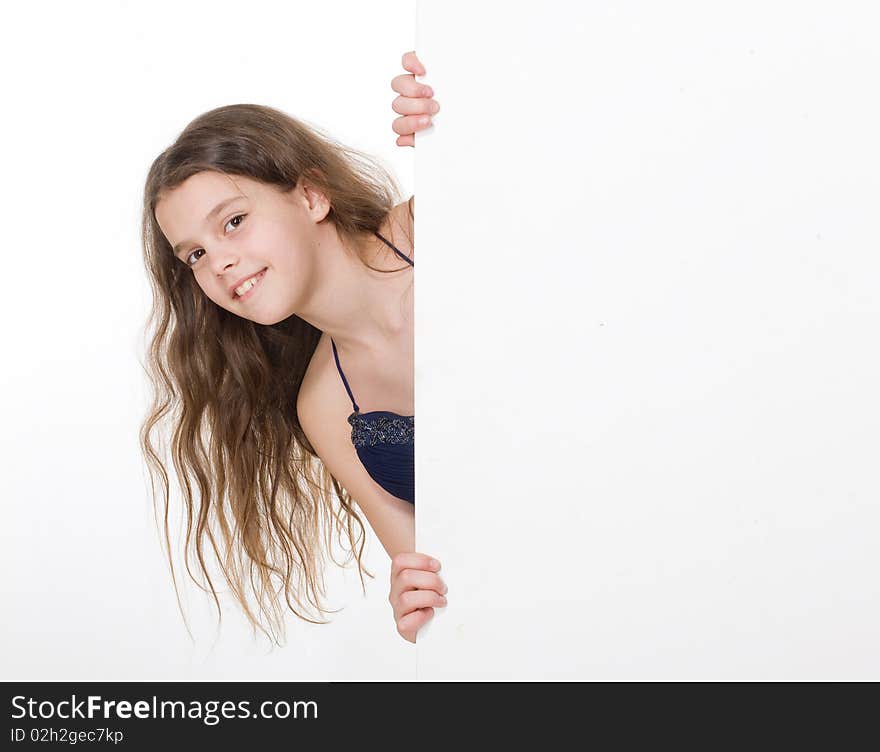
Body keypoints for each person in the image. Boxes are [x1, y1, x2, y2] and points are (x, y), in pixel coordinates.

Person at [140, 51, 445, 644]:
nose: (218, 262)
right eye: (194, 254)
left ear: (310, 197)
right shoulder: (327, 407)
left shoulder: (437, 228)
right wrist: (415, 603)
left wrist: (462, 118)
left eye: (232, 222)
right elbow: (424, 564)